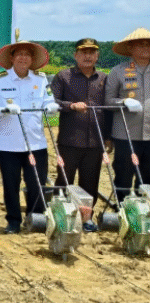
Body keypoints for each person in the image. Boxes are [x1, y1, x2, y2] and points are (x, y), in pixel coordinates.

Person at [0, 39, 59, 234]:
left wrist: (51, 106)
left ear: (32, 59)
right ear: (12, 58)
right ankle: (13, 221)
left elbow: (49, 100)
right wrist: (3, 110)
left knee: (36, 183)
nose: (23, 58)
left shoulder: (41, 79)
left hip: (36, 143)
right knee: (11, 185)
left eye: (27, 54)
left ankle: (36, 218)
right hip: (8, 144)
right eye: (19, 54)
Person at [51, 38, 110, 232]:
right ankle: (59, 216)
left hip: (95, 142)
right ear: (76, 55)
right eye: (84, 52)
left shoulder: (104, 78)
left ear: (97, 56)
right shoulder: (63, 76)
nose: (88, 56)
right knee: (64, 180)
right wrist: (70, 105)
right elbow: (52, 102)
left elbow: (109, 110)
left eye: (92, 52)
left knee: (90, 182)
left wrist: (108, 137)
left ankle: (86, 219)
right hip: (69, 140)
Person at [105, 28, 150, 202]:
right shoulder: (118, 71)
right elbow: (108, 101)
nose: (145, 48)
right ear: (130, 48)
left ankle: (144, 211)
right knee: (123, 176)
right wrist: (123, 102)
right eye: (140, 44)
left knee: (147, 179)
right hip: (125, 135)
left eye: (148, 44)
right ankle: (121, 210)